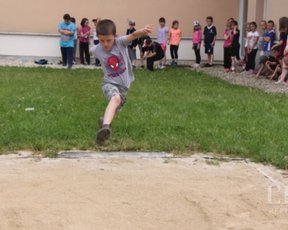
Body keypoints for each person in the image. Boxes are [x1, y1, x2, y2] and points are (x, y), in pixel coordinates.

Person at [90, 19, 152, 144]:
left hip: (124, 86)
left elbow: (133, 36)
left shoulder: (120, 43)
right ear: (98, 38)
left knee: (115, 109)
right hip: (109, 83)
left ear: (115, 36)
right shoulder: (97, 50)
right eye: (102, 41)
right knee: (115, 99)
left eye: (108, 40)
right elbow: (91, 49)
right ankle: (105, 128)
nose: (105, 44)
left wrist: (142, 31)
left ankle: (104, 121)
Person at [276, 17, 288, 85]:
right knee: (284, 65)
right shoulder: (285, 32)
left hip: (286, 50)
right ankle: (282, 79)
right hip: (286, 49)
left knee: (285, 65)